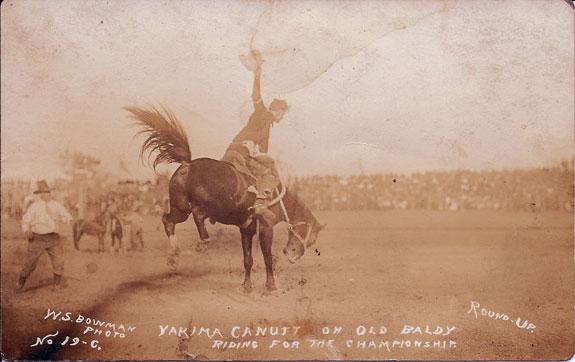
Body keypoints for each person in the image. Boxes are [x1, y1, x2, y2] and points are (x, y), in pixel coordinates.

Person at [222, 50, 289, 223]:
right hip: (241, 152)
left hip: (236, 150)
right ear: (277, 110)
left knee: (267, 170)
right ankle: (260, 205)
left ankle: (254, 202)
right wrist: (257, 74)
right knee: (271, 175)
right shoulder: (263, 114)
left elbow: (263, 153)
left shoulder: (267, 125)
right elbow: (256, 97)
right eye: (283, 113)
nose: (283, 117)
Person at [15, 180, 72, 292]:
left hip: (53, 238)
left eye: (48, 192)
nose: (46, 194)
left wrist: (65, 219)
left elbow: (67, 216)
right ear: (40, 194)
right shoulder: (34, 207)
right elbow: (25, 220)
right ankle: (20, 283)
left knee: (59, 260)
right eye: (44, 192)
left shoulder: (57, 205)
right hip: (37, 238)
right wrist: (27, 231)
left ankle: (56, 285)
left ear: (50, 193)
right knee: (30, 263)